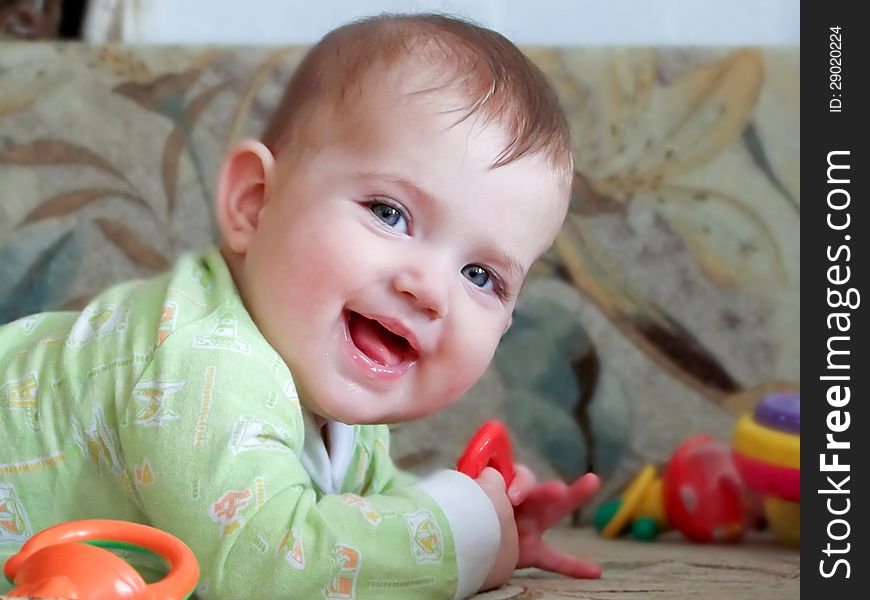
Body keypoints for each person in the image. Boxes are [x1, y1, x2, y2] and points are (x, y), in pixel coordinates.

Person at [0, 13, 600, 599]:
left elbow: (358, 518)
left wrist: (497, 527)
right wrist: (463, 537)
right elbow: (264, 568)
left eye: (480, 275)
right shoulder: (207, 365)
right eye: (390, 214)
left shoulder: (335, 406)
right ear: (255, 203)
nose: (430, 289)